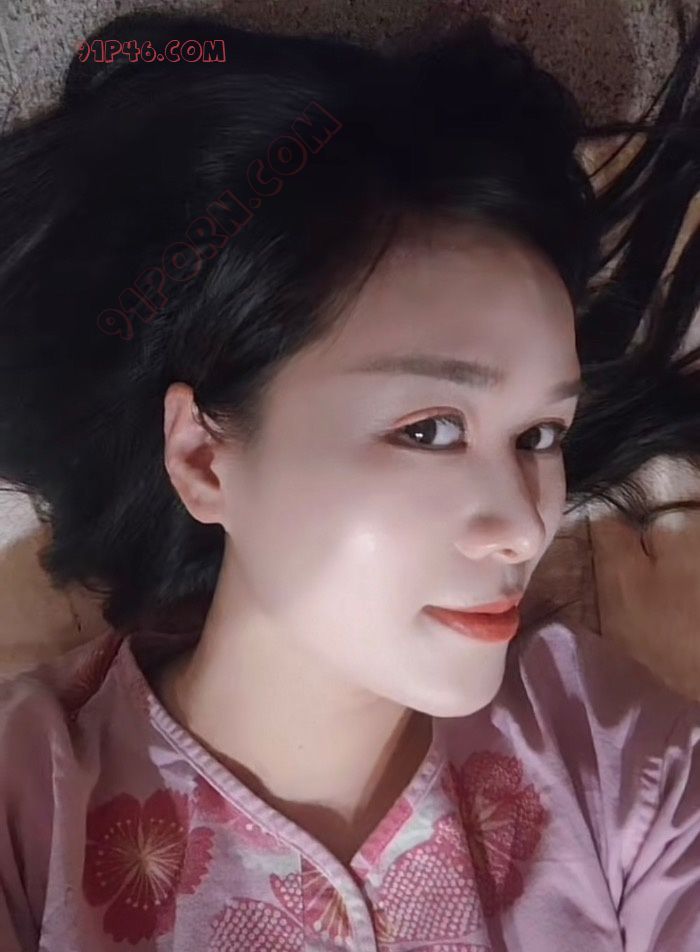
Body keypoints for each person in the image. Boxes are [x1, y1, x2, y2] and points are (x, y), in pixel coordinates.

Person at [0, 8, 699, 951]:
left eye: (540, 435)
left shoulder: (611, 758)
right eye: (432, 430)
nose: (526, 526)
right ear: (203, 457)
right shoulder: (29, 808)